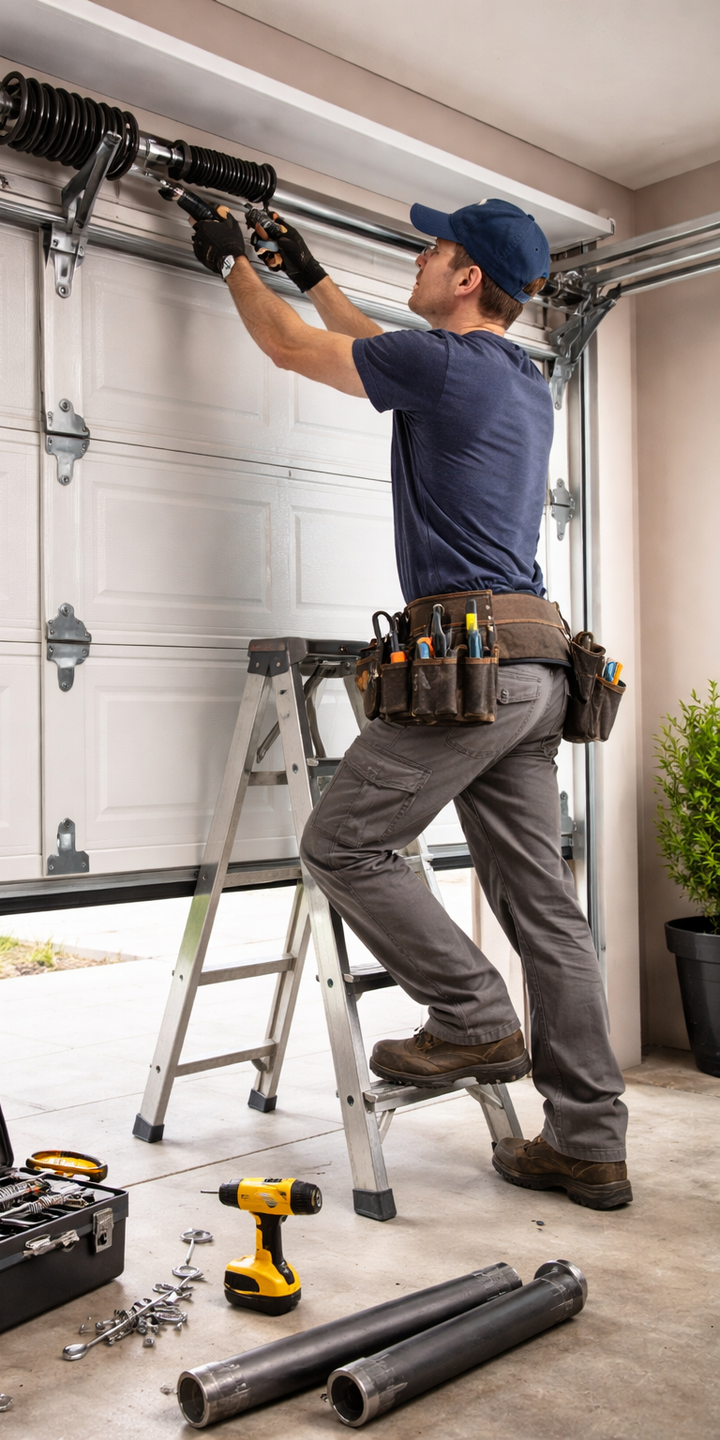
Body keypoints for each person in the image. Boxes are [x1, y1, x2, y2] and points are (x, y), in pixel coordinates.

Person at [188, 195, 631, 1211]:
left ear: (467, 275)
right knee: (548, 916)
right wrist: (307, 268)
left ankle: (472, 1011)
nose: (421, 261)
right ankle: (589, 1142)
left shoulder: (442, 365)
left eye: (435, 250)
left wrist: (233, 268)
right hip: (538, 667)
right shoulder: (518, 381)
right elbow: (376, 346)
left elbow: (297, 353)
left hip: (467, 668)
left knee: (341, 844)